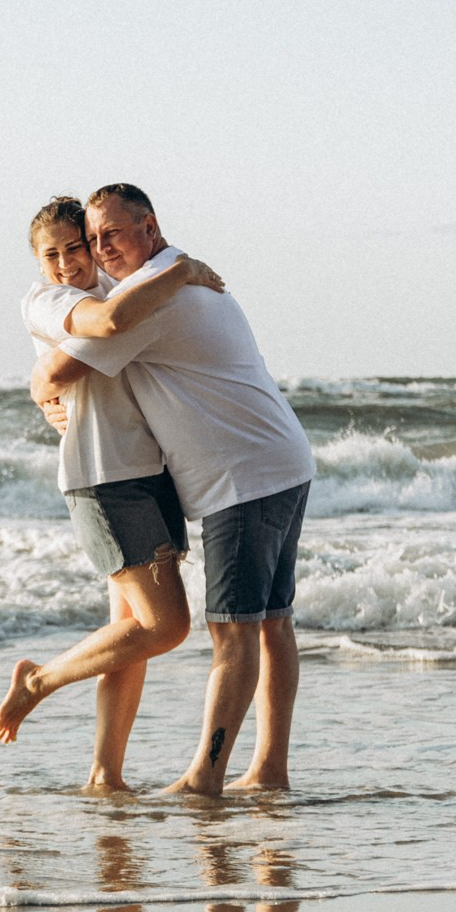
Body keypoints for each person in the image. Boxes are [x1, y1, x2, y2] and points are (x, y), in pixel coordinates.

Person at [30, 185, 315, 796]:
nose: (102, 250)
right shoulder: (168, 277)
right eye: (94, 239)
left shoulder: (153, 295)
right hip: (279, 459)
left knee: (234, 630)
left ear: (149, 226)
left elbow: (57, 369)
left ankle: (203, 781)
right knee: (272, 622)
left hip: (242, 477)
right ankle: (269, 771)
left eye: (111, 234)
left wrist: (44, 392)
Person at [0, 197, 227, 791]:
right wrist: (182, 270)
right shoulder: (48, 300)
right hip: (103, 477)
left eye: (76, 247)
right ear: (37, 262)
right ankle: (39, 680)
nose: (66, 263)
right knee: (166, 626)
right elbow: (108, 326)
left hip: (150, 472)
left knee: (130, 634)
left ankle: (105, 773)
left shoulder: (119, 286)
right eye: (51, 254)